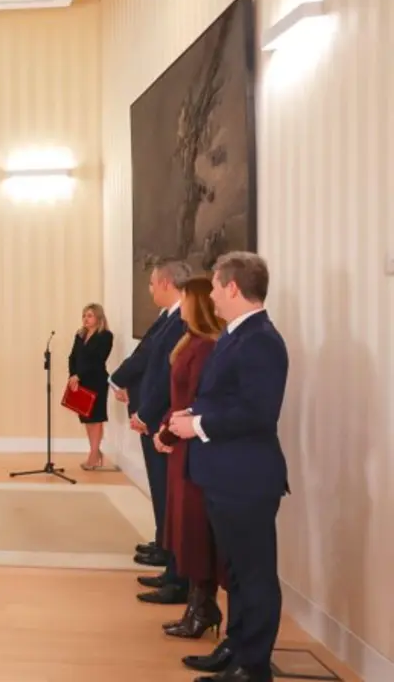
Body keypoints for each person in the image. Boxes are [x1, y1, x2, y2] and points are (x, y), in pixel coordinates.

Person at [169, 252, 289, 682]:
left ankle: (252, 666)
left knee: (254, 575)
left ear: (233, 287)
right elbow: (224, 400)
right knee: (235, 571)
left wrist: (196, 424)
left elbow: (258, 414)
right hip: (225, 476)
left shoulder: (260, 340)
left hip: (247, 479)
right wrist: (190, 417)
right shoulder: (236, 336)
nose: (212, 296)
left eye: (217, 287)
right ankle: (236, 647)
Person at [110, 259, 190, 603]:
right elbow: (146, 357)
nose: (150, 289)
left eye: (153, 283)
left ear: (167, 283)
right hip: (153, 417)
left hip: (160, 420)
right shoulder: (168, 319)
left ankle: (175, 570)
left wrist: (145, 411)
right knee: (162, 495)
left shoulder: (180, 321)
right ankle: (166, 554)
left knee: (168, 495)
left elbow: (160, 373)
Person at [153, 277, 225, 640]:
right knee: (184, 527)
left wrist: (168, 429)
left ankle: (202, 606)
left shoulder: (207, 347)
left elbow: (198, 400)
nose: (178, 303)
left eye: (184, 298)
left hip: (195, 445)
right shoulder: (191, 342)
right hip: (180, 441)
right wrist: (164, 426)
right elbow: (178, 397)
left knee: (197, 530)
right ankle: (197, 606)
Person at [66, 303, 113, 470]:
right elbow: (72, 357)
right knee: (87, 419)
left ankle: (93, 455)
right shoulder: (80, 335)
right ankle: (95, 451)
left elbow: (98, 361)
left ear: (98, 318)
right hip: (80, 382)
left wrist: (80, 375)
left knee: (96, 419)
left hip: (96, 381)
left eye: (90, 315)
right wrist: (73, 375)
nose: (86, 318)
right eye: (84, 315)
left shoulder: (106, 336)